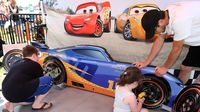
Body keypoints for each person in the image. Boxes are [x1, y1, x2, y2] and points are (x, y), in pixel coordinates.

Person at [134, 1, 200, 84]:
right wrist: (146, 62)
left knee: (196, 80)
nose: (156, 33)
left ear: (160, 22)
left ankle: (194, 95)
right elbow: (160, 39)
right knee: (185, 68)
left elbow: (176, 48)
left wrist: (164, 68)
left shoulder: (180, 20)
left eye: (154, 31)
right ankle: (179, 94)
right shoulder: (165, 13)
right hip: (197, 36)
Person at [2, 45, 54, 112]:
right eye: (37, 56)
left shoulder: (16, 63)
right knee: (49, 80)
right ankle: (37, 104)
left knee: (31, 100)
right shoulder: (35, 64)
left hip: (6, 92)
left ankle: (12, 104)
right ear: (34, 56)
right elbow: (42, 82)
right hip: (17, 90)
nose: (38, 59)